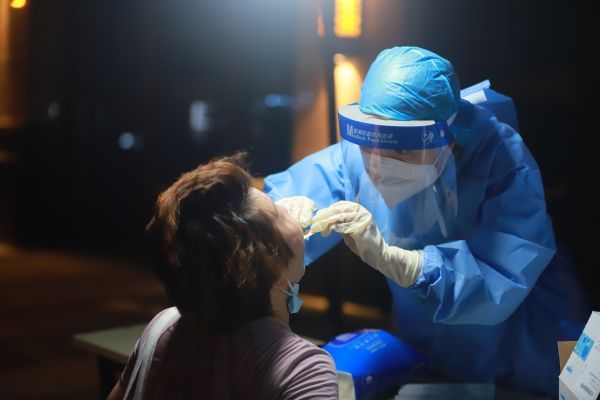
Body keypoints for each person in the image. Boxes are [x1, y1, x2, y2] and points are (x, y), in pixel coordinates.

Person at [264, 46, 588, 396]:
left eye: (401, 150)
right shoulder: (365, 148)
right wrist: (276, 215)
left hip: (526, 335)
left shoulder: (501, 160)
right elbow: (300, 191)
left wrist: (408, 266)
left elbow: (503, 276)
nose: (377, 166)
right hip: (427, 334)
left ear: (447, 138)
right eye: (369, 145)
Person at [107, 152, 338, 400]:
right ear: (273, 270)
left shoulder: (162, 327)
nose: (286, 206)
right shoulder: (302, 371)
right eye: (278, 212)